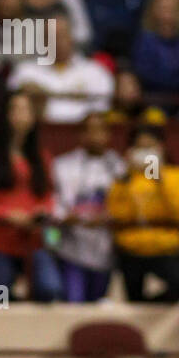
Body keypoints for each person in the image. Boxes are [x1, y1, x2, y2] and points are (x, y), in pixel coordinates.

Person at [0, 90, 59, 302]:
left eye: (26, 109)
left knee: (50, 289)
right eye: (14, 109)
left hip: (34, 240)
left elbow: (49, 195)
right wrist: (7, 214)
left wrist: (42, 210)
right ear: (4, 115)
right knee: (1, 300)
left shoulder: (42, 156)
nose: (20, 115)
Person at [106, 119, 179, 302]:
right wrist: (127, 175)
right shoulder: (123, 180)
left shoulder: (177, 175)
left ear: (161, 148)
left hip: (165, 248)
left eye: (150, 148)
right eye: (141, 149)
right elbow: (115, 214)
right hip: (131, 249)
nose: (146, 155)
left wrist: (158, 177)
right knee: (133, 298)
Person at [51, 111, 125, 302]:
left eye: (99, 131)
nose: (94, 136)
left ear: (108, 135)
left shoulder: (120, 167)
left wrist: (112, 216)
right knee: (74, 303)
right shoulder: (62, 165)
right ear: (81, 135)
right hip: (71, 247)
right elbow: (54, 201)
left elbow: (132, 202)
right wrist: (64, 215)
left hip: (104, 249)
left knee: (97, 305)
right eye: (89, 131)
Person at [9, 15, 114, 124]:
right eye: (50, 37)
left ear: (71, 37)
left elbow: (101, 109)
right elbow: (13, 105)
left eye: (61, 36)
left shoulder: (95, 72)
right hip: (39, 131)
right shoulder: (25, 71)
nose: (57, 42)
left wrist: (46, 93)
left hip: (82, 134)